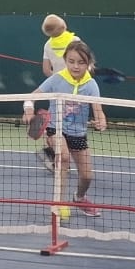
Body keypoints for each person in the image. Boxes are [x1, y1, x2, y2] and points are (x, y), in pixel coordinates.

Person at [24, 38, 106, 216]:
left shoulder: (91, 85)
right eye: (71, 61)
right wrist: (29, 111)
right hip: (56, 129)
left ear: (88, 63)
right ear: (65, 60)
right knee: (64, 158)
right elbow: (30, 97)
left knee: (87, 176)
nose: (75, 66)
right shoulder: (56, 79)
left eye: (81, 62)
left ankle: (79, 198)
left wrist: (101, 121)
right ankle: (59, 203)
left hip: (78, 134)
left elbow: (98, 110)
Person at [36, 14, 81, 163]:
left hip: (57, 91)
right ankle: (59, 154)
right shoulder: (75, 41)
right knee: (70, 124)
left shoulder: (48, 45)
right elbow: (85, 63)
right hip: (74, 90)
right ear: (63, 26)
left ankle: (54, 150)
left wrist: (56, 80)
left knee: (54, 124)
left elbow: (46, 70)